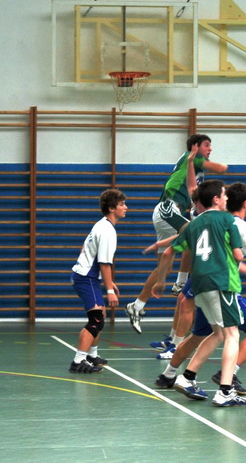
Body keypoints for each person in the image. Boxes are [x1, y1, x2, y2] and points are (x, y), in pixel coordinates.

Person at [153, 181, 246, 394]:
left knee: (205, 334)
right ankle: (227, 379)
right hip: (220, 284)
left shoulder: (203, 221)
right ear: (245, 203)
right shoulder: (233, 223)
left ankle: (171, 375)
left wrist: (164, 273)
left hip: (199, 283)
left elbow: (191, 247)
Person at [152, 179, 246, 407]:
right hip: (221, 282)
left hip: (199, 283)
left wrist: (160, 281)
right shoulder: (227, 220)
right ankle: (225, 391)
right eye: (224, 194)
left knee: (218, 333)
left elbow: (168, 253)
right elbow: (238, 255)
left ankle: (187, 377)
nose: (227, 198)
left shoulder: (193, 225)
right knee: (232, 334)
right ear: (216, 199)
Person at [126, 134, 228, 334]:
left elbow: (192, 189)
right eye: (207, 145)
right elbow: (222, 168)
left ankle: (137, 306)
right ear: (195, 147)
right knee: (194, 234)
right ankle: (180, 282)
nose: (210, 149)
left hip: (168, 213)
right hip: (168, 208)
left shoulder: (192, 167)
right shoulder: (194, 159)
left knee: (163, 268)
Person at [69, 188, 128, 373]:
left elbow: (86, 250)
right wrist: (109, 291)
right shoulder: (107, 230)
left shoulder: (101, 225)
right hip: (86, 278)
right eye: (122, 204)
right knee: (96, 319)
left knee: (100, 314)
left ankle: (91, 355)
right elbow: (104, 263)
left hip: (87, 276)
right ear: (111, 208)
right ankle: (78, 361)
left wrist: (108, 282)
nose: (126, 207)